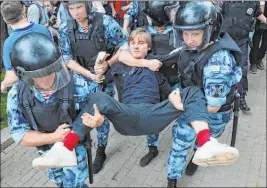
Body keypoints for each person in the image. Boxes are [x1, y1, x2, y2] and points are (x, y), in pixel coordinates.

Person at [31, 29, 239, 185]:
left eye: (141, 43)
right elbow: (109, 68)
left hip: (153, 117)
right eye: (132, 43)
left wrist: (175, 95)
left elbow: (180, 58)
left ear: (149, 47)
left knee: (192, 92)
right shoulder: (121, 63)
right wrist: (101, 67)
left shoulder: (157, 63)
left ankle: (205, 143)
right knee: (98, 96)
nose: (136, 46)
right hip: (127, 118)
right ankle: (65, 147)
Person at [115, 2, 243, 187]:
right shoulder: (192, 46)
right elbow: (158, 58)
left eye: (195, 34)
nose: (189, 39)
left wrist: (177, 103)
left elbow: (213, 106)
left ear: (210, 30)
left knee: (198, 142)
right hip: (191, 102)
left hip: (209, 113)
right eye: (185, 33)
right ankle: (172, 179)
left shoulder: (218, 62)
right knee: (180, 145)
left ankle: (196, 159)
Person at [7, 33, 89, 187]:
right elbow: (20, 136)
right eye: (38, 75)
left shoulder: (77, 83)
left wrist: (97, 120)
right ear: (23, 74)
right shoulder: (17, 95)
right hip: (48, 153)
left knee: (76, 184)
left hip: (75, 151)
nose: (45, 79)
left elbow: (93, 112)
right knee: (59, 183)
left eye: (49, 71)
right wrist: (54, 137)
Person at [58, 0, 129, 174]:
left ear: (87, 6)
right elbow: (67, 59)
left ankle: (101, 149)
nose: (76, 12)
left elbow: (124, 44)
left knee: (101, 117)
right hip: (80, 82)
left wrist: (108, 64)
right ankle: (79, 145)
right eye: (71, 8)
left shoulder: (104, 22)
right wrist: (89, 74)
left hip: (104, 81)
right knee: (79, 118)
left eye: (79, 7)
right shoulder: (65, 28)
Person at [221, 1, 267, 113]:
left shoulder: (253, 2)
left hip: (242, 41)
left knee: (242, 69)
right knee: (223, 68)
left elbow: (258, 14)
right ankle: (222, 97)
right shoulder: (225, 2)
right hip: (224, 40)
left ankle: (240, 97)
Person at [0, 1, 52, 94]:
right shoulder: (42, 29)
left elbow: (13, 76)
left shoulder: (9, 44)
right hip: (50, 80)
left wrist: (4, 84)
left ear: (5, 20)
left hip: (31, 88)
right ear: (23, 11)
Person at [249, 1, 267, 73]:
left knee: (265, 44)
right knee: (255, 42)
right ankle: (253, 63)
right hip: (258, 20)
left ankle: (259, 60)